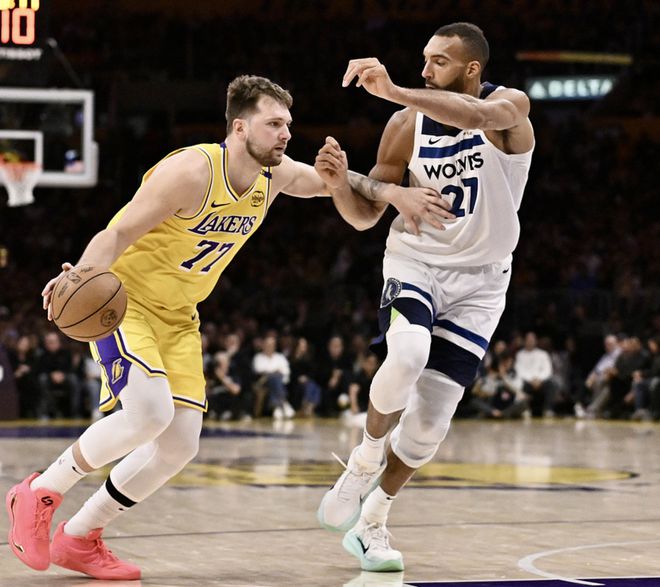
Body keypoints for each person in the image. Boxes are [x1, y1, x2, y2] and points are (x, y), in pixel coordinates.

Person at [6, 74, 450, 581]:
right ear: (240, 128)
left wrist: (384, 189)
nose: (286, 134)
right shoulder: (191, 171)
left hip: (179, 316)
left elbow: (331, 184)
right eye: (274, 124)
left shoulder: (274, 175)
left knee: (180, 444)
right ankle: (39, 491)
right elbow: (119, 232)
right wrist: (82, 275)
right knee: (148, 413)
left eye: (288, 124)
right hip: (127, 303)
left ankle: (81, 536)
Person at [317, 22, 534, 572]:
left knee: (430, 423)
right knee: (408, 352)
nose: (424, 70)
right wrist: (344, 185)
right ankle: (364, 459)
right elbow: (365, 217)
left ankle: (372, 522)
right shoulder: (404, 124)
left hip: (482, 283)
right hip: (417, 262)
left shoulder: (510, 107)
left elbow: (476, 118)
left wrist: (392, 90)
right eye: (424, 59)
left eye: (438, 61)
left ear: (472, 68)